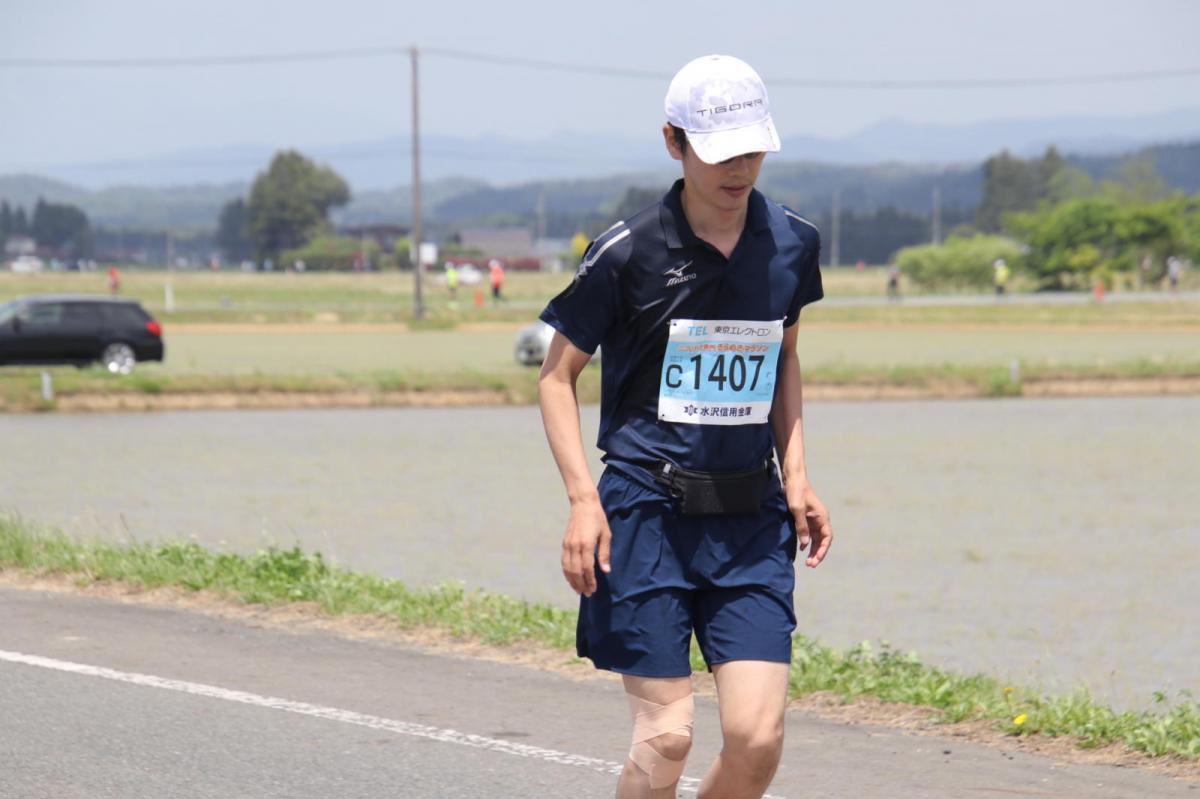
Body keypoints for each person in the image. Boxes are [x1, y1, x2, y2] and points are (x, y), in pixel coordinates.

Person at [538, 54, 832, 799]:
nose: (740, 168)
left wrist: (798, 476)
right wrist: (583, 500)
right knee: (666, 738)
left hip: (749, 515)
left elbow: (783, 358)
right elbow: (556, 377)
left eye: (753, 149)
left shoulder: (793, 242)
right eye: (721, 151)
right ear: (674, 142)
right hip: (645, 512)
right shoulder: (625, 252)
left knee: (756, 739)